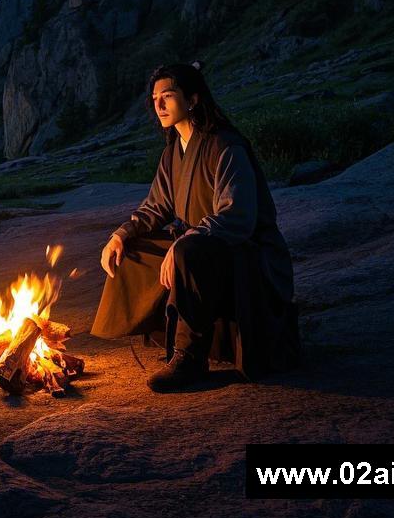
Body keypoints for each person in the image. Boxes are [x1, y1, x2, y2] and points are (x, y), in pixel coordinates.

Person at [92, 62, 300, 392]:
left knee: (187, 250)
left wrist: (187, 239)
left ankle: (190, 357)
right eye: (155, 98)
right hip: (201, 249)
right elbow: (156, 207)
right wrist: (122, 234)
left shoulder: (226, 146)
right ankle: (167, 333)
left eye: (168, 96)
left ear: (193, 99)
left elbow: (238, 217)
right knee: (134, 250)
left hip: (245, 256)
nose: (158, 104)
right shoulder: (173, 152)